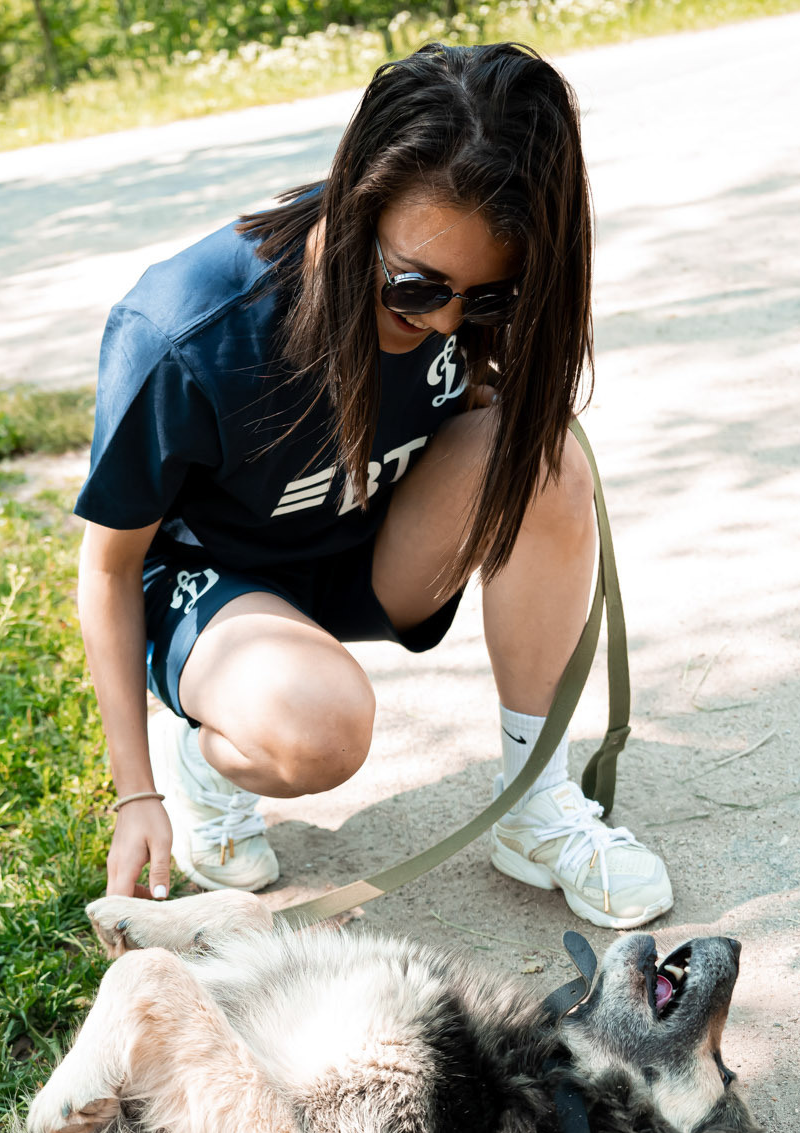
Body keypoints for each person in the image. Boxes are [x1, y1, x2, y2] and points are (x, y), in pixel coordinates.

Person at [72, 40, 674, 931]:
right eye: (415, 287)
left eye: (489, 299)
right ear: (358, 201)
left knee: (542, 457)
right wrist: (137, 793)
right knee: (321, 728)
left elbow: (479, 396)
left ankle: (537, 810)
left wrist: (488, 350)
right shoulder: (184, 330)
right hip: (214, 589)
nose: (443, 322)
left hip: (360, 552)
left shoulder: (456, 304)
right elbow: (110, 569)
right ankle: (209, 754)